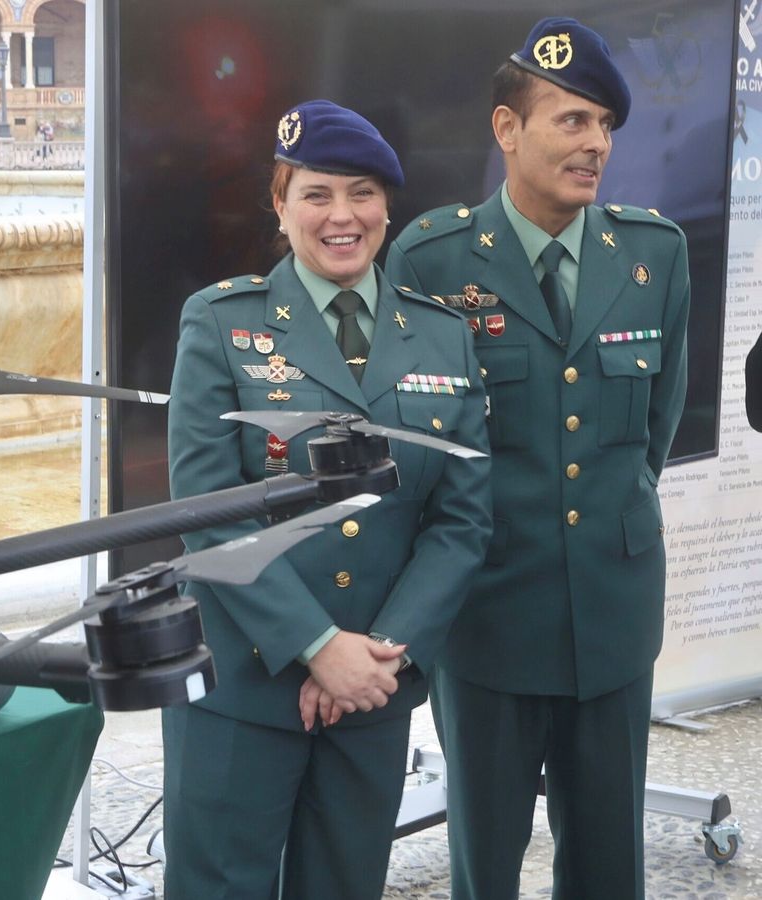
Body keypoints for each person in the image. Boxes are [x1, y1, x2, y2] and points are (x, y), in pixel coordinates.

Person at [385, 18, 689, 900]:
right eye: (572, 120)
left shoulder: (652, 254)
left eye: (604, 125)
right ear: (507, 130)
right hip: (488, 617)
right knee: (486, 861)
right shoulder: (434, 259)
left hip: (613, 611)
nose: (594, 143)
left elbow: (652, 433)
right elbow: (414, 449)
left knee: (607, 865)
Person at [165, 100, 491, 899]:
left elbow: (462, 518)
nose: (341, 215)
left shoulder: (442, 335)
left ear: (388, 208)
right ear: (280, 205)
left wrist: (382, 652)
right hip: (242, 683)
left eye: (362, 193)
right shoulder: (221, 323)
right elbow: (209, 513)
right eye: (316, 193)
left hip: (374, 690)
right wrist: (319, 646)